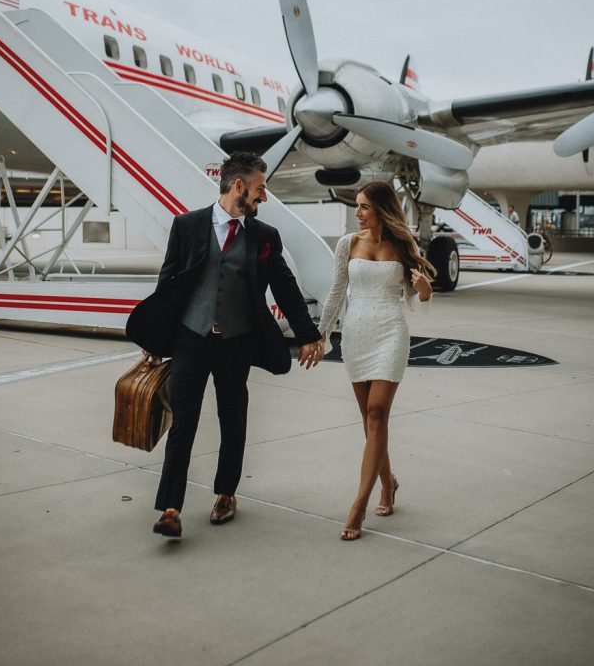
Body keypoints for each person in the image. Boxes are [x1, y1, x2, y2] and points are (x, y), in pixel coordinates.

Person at [125, 151, 324, 540]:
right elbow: (167, 287)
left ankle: (226, 494)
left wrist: (307, 335)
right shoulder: (187, 226)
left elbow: (284, 286)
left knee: (233, 422)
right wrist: (153, 340)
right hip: (190, 340)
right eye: (260, 188)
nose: (263, 197)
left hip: (237, 342)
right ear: (239, 186)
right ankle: (170, 507)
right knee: (183, 423)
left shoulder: (264, 236)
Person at [319, 181, 434, 541]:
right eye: (357, 206)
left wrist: (424, 290)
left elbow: (417, 297)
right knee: (370, 423)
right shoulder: (347, 244)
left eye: (364, 207)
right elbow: (337, 291)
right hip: (356, 334)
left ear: (382, 209)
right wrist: (320, 334)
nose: (358, 213)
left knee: (377, 413)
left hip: (390, 332)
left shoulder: (404, 245)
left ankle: (358, 507)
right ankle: (389, 482)